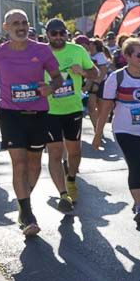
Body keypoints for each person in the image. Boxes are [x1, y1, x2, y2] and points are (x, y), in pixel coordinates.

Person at [0, 9, 64, 237]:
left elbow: (57, 77)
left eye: (24, 22)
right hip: (11, 114)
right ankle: (27, 214)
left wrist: (52, 87)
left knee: (34, 165)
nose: (21, 26)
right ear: (6, 27)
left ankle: (22, 201)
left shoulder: (41, 50)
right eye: (15, 23)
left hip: (38, 114)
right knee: (18, 163)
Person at [92, 38, 140, 225]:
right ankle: (139, 205)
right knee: (135, 165)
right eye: (139, 55)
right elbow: (104, 109)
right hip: (124, 130)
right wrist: (97, 135)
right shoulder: (116, 78)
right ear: (127, 56)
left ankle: (138, 199)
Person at [44, 19, 98, 212]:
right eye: (54, 33)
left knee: (74, 151)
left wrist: (82, 71)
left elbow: (96, 73)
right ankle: (62, 194)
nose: (58, 37)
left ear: (67, 33)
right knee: (55, 153)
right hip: (49, 111)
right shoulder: (41, 52)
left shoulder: (77, 51)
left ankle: (71, 180)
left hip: (73, 109)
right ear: (47, 34)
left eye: (61, 33)